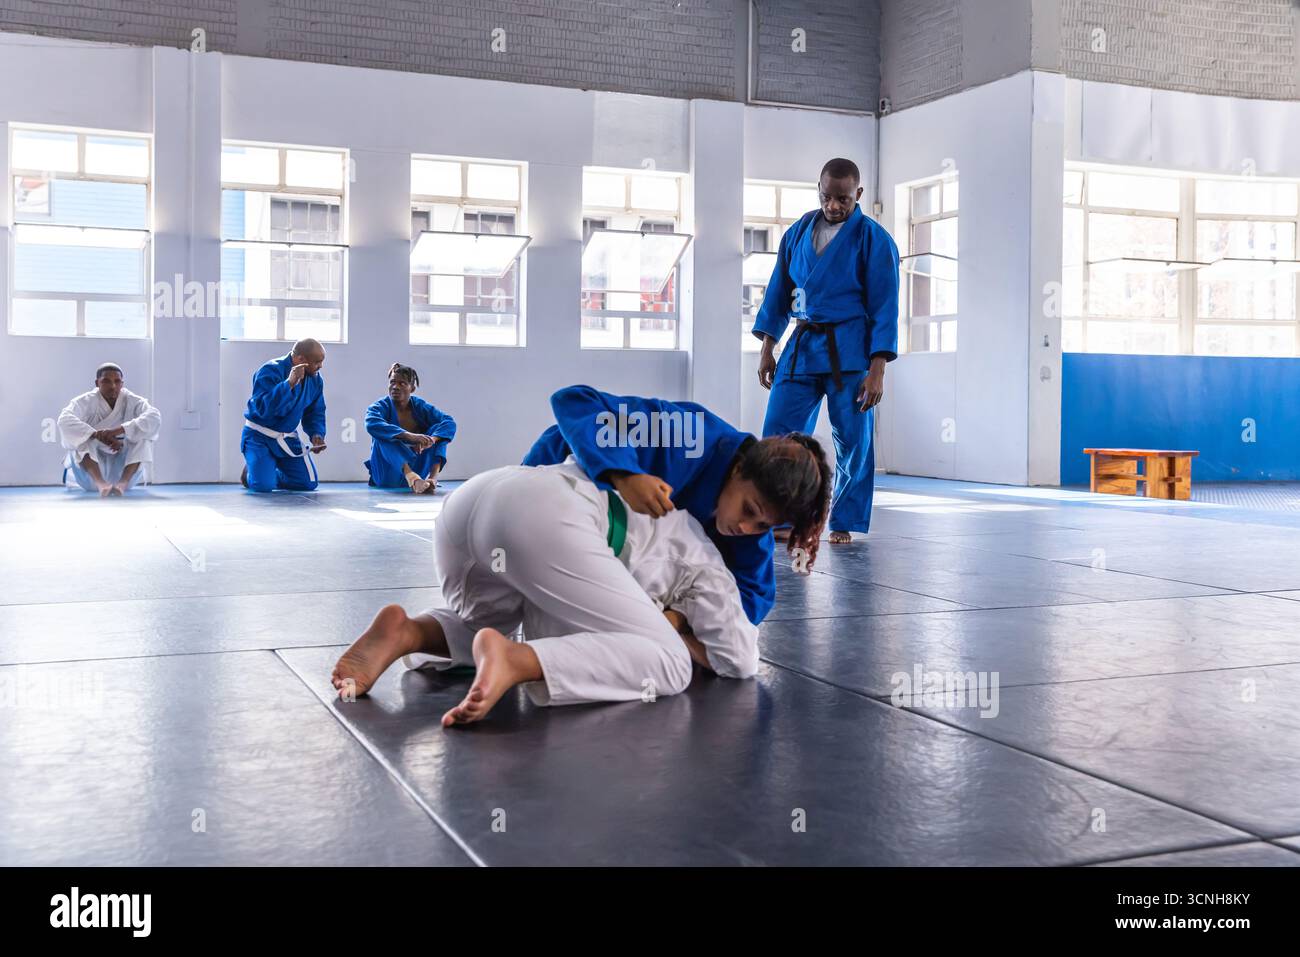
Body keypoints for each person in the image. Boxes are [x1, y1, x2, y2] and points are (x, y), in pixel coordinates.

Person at [330, 459, 760, 726]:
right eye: (752, 517)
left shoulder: (660, 501)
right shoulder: (708, 566)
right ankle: (516, 661)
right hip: (546, 524)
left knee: (489, 624)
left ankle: (409, 633)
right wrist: (679, 631)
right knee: (669, 664)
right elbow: (738, 660)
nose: (746, 530)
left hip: (475, 501)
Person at [521, 385, 832, 626]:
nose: (746, 528)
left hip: (613, 539)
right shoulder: (687, 433)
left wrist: (684, 618)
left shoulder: (752, 521)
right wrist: (624, 474)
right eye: (749, 511)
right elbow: (575, 399)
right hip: (554, 479)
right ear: (738, 468)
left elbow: (755, 598)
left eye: (764, 526)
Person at [753, 157, 900, 544]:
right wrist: (769, 346)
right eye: (827, 196)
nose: (834, 205)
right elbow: (778, 292)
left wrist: (878, 368)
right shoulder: (799, 231)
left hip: (851, 350)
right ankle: (781, 514)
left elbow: (885, 307)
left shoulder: (874, 239)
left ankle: (844, 518)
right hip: (802, 345)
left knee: (853, 438)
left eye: (844, 199)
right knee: (778, 434)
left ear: (859, 195)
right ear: (818, 189)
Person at [57, 363, 162, 496]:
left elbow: (154, 416)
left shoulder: (132, 400)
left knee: (143, 438)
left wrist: (119, 430)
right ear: (97, 383)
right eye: (106, 381)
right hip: (90, 476)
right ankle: (102, 485)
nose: (113, 386)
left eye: (117, 382)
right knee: (82, 439)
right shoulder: (85, 401)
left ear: (122, 384)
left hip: (123, 469)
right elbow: (64, 419)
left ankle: (122, 484)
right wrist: (96, 434)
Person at [240, 338, 327, 493]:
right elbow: (263, 409)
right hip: (259, 436)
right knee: (263, 486)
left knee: (308, 483)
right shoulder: (270, 370)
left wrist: (316, 434)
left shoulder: (316, 380)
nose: (320, 366)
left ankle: (269, 473)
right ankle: (250, 474)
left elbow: (315, 411)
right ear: (301, 359)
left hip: (287, 438)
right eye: (317, 362)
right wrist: (289, 384)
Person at [363, 363, 457, 493]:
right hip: (387, 474)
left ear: (412, 388)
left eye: (402, 383)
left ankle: (432, 480)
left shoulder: (420, 406)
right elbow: (372, 424)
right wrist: (410, 436)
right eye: (392, 382)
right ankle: (412, 478)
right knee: (382, 434)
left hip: (418, 469)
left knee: (438, 430)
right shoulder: (379, 406)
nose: (395, 387)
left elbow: (449, 422)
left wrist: (431, 440)